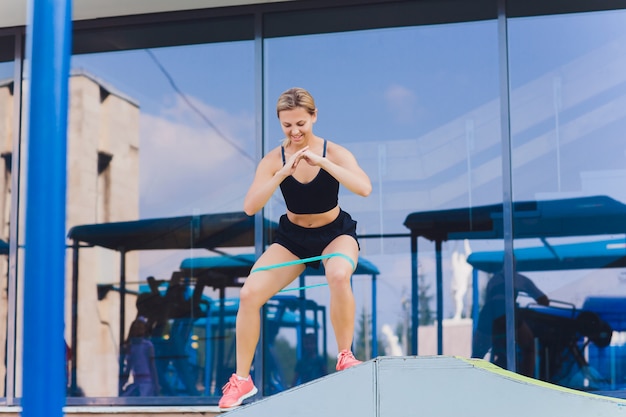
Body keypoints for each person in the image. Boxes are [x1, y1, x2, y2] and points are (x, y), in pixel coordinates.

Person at [218, 87, 372, 410]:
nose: (295, 131)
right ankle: (242, 380)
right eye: (287, 125)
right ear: (280, 123)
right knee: (248, 294)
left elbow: (364, 188)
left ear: (314, 117)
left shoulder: (334, 151)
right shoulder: (274, 160)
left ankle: (345, 355)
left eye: (301, 123)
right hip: (292, 239)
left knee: (339, 275)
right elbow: (250, 206)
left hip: (334, 233)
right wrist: (282, 174)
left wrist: (323, 163)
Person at [472, 256, 549, 377]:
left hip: (488, 315)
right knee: (529, 347)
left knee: (477, 354)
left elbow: (488, 299)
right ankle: (526, 380)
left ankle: (472, 379)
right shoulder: (520, 279)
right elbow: (544, 300)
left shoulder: (493, 280)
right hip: (506, 314)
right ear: (516, 265)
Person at [119, 317, 160, 396]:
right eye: (136, 328)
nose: (137, 330)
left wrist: (156, 385)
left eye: (140, 328)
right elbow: (128, 368)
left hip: (147, 383)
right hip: (137, 382)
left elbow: (152, 366)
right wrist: (122, 384)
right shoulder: (131, 346)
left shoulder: (148, 346)